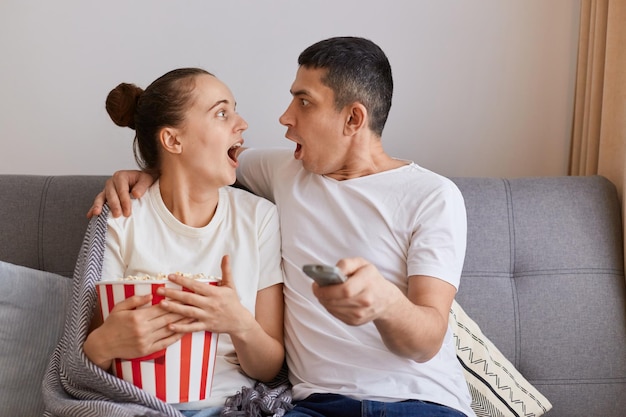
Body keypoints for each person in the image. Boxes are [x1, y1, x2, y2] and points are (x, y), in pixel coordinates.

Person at [89, 37, 475, 417]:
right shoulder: (284, 171)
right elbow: (195, 159)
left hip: (422, 403)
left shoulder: (432, 195)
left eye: (304, 102)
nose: (285, 117)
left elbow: (426, 340)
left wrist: (386, 303)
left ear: (353, 119)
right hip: (316, 406)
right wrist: (141, 175)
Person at [59, 68, 285, 417]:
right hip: (133, 406)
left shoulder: (259, 219)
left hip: (228, 407)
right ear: (173, 141)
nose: (242, 123)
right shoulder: (122, 217)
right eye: (222, 113)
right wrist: (106, 343)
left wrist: (237, 321)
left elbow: (269, 368)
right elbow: (81, 361)